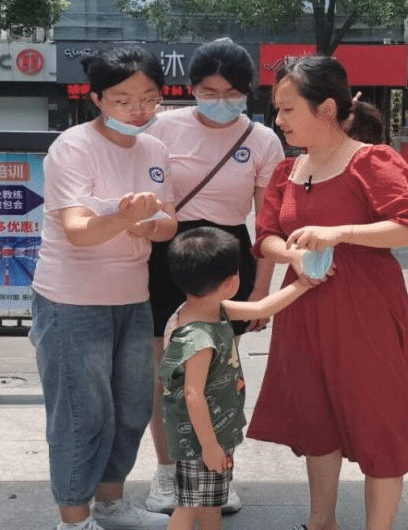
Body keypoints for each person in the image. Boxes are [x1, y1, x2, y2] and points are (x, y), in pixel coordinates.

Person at [248, 55, 408, 530]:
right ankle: (320, 522)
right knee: (316, 419)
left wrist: (340, 233)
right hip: (303, 307)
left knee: (379, 422)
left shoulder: (372, 161)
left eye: (288, 109)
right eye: (277, 109)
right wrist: (291, 256)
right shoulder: (287, 170)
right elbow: (265, 237)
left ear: (326, 108)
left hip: (365, 311)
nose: (279, 120)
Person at [29, 45, 177, 530]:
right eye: (122, 100)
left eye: (149, 98)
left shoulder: (154, 149)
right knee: (81, 413)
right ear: (96, 98)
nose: (138, 110)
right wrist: (127, 217)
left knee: (132, 408)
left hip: (132, 296)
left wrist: (149, 224)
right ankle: (74, 520)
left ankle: (111, 505)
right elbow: (78, 230)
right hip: (72, 300)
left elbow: (169, 222)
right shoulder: (74, 147)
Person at [144, 38, 285, 514]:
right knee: (168, 371)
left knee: (220, 375)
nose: (220, 101)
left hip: (229, 258)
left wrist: (262, 288)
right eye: (209, 91)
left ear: (248, 91)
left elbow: (268, 223)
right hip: (169, 254)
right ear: (191, 88)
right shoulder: (163, 128)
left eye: (231, 93)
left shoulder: (263, 140)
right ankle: (168, 473)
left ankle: (218, 473)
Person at [159, 226, 322, 530]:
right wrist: (209, 446)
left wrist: (303, 284)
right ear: (232, 282)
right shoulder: (198, 336)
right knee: (189, 504)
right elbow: (193, 395)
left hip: (215, 430)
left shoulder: (208, 309)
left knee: (211, 500)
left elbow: (261, 308)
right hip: (197, 438)